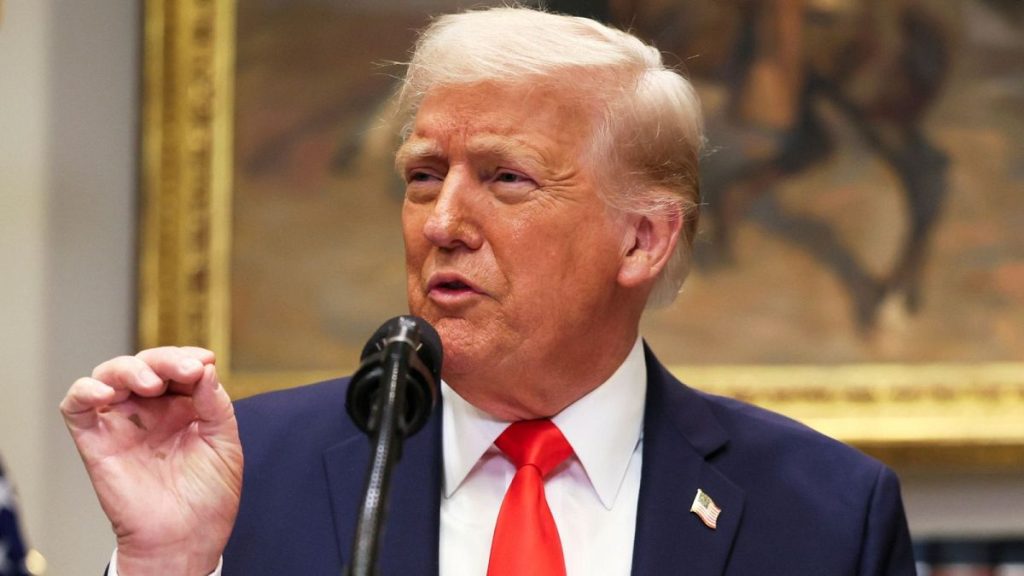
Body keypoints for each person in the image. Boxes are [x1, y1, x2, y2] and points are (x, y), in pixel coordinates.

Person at [61, 7, 915, 575]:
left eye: (507, 179)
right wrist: (164, 568)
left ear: (643, 238)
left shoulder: (822, 514)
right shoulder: (251, 473)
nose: (442, 222)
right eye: (424, 175)